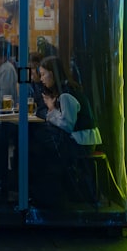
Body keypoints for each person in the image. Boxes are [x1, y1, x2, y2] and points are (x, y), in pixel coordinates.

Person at [30, 55, 102, 206]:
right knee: (39, 142)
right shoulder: (67, 89)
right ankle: (49, 195)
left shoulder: (66, 94)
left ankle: (48, 196)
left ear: (53, 73)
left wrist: (51, 109)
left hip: (81, 143)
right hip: (83, 139)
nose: (41, 79)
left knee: (38, 146)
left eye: (43, 74)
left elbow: (67, 125)